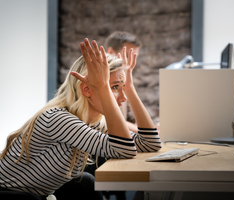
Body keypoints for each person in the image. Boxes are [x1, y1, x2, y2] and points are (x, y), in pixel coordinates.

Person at [0, 38, 161, 200]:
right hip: (12, 195)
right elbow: (125, 150)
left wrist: (130, 87)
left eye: (121, 87)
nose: (123, 98)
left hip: (36, 195)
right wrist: (103, 87)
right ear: (86, 89)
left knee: (84, 182)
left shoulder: (93, 123)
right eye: (114, 87)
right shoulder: (59, 119)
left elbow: (150, 144)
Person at [105, 31, 141, 133]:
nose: (131, 63)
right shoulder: (103, 81)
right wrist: (146, 131)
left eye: (135, 58)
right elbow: (110, 120)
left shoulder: (122, 80)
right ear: (111, 52)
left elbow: (127, 117)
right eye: (127, 56)